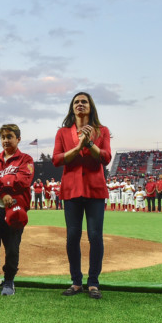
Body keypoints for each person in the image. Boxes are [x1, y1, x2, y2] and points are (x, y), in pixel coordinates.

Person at [53, 92, 112, 299]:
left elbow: (105, 158)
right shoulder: (62, 133)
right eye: (76, 102)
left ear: (91, 106)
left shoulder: (102, 131)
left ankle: (93, 282)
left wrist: (89, 143)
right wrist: (79, 147)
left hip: (95, 189)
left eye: (84, 101)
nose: (80, 104)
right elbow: (57, 159)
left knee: (95, 236)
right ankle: (76, 282)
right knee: (72, 237)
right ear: (72, 107)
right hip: (71, 190)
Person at [0, 124, 34, 296]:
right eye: (3, 137)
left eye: (9, 137)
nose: (5, 140)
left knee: (12, 247)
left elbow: (23, 180)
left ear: (18, 139)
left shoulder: (26, 159)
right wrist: (3, 193)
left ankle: (9, 280)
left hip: (15, 208)